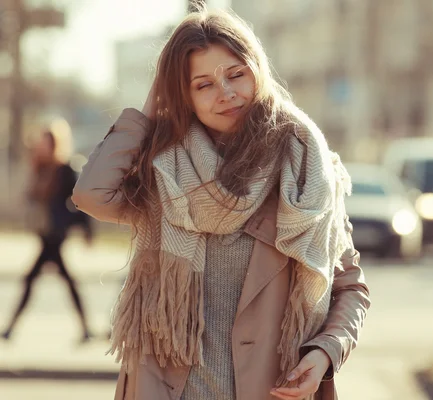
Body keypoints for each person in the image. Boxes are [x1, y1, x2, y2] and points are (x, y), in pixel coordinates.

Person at [72, 8, 370, 400]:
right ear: (183, 96)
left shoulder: (303, 166)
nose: (226, 93)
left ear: (256, 71)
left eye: (235, 74)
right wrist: (146, 114)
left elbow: (350, 286)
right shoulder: (164, 167)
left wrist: (325, 352)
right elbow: (92, 194)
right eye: (203, 85)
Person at [2, 125, 94, 343]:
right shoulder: (41, 168)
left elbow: (80, 200)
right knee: (66, 281)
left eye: (46, 142)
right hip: (45, 233)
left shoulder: (64, 169)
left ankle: (10, 328)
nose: (41, 145)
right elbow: (32, 197)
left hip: (56, 233)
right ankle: (86, 329)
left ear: (55, 144)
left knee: (31, 279)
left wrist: (86, 230)